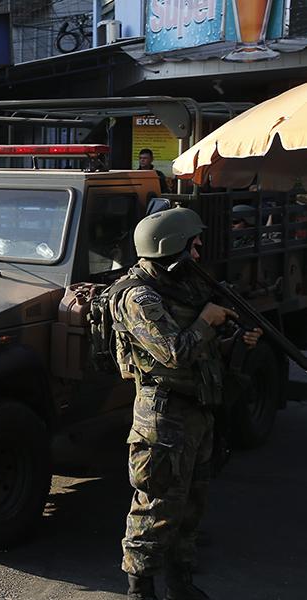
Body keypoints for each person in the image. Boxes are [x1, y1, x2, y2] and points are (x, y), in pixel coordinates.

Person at [111, 207, 261, 600]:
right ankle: (140, 590)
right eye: (192, 247)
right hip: (162, 417)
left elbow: (201, 355)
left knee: (193, 504)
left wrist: (234, 342)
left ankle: (180, 583)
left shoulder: (181, 287)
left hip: (197, 410)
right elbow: (174, 352)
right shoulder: (138, 296)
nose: (197, 254)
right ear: (171, 247)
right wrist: (206, 321)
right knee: (156, 508)